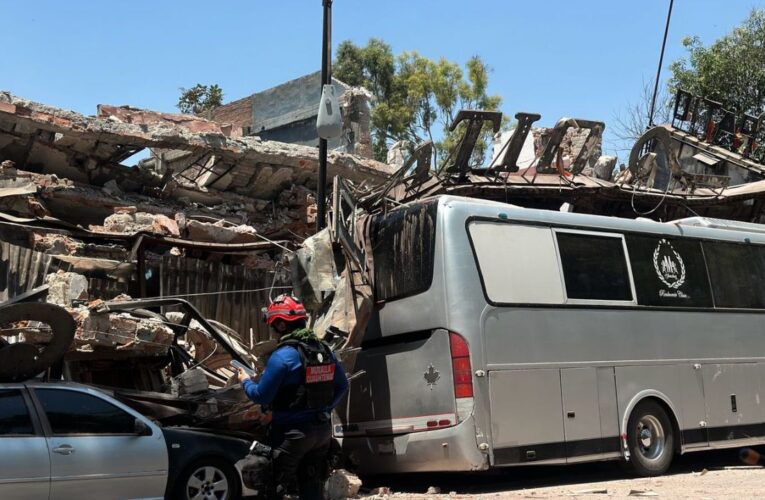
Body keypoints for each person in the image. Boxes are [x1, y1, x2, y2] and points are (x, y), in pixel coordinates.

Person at [238, 294, 349, 499]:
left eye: (272, 325)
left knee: (273, 487)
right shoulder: (324, 350)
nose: (272, 331)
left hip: (292, 435)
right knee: (311, 488)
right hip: (322, 433)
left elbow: (261, 396)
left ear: (280, 325)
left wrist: (245, 380)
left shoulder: (283, 356)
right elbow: (343, 386)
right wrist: (324, 409)